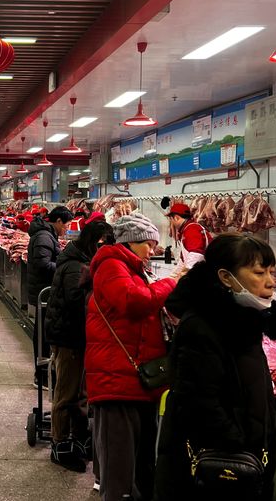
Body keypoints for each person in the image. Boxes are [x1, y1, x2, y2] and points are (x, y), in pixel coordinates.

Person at [155, 233, 276, 501]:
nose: (271, 282)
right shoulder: (202, 326)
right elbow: (198, 403)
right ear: (226, 277)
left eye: (272, 272)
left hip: (240, 460)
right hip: (216, 468)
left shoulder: (245, 322)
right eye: (260, 273)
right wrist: (239, 447)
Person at [85, 212, 176, 501]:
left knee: (131, 459)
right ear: (132, 241)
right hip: (117, 377)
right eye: (148, 244)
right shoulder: (112, 265)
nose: (152, 251)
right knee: (119, 463)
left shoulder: (130, 266)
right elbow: (133, 301)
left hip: (131, 378)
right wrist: (172, 282)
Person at [45, 221, 114, 473]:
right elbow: (78, 302)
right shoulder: (76, 265)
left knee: (80, 394)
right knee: (66, 393)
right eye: (102, 243)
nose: (104, 247)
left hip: (77, 337)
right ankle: (59, 445)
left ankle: (77, 439)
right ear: (92, 241)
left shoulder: (80, 258)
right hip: (68, 337)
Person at [26, 206, 74, 307]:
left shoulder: (48, 234)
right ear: (59, 221)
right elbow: (43, 264)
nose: (68, 229)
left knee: (43, 320)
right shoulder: (44, 237)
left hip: (43, 287)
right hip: (43, 289)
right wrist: (64, 267)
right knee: (44, 320)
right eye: (68, 225)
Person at [166, 203, 211, 270]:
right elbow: (183, 259)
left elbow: (196, 255)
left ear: (176, 218)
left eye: (171, 219)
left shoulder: (192, 229)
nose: (171, 222)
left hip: (200, 274)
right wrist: (173, 277)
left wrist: (187, 275)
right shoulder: (187, 229)